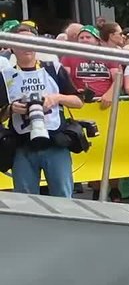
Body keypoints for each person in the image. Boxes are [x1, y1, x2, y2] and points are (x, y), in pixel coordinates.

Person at [0, 33, 83, 197]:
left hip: (55, 142)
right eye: (21, 42)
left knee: (63, 196)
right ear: (12, 47)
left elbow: (78, 101)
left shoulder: (53, 69)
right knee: (25, 199)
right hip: (22, 145)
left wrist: (56, 98)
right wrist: (11, 109)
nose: (27, 47)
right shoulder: (5, 76)